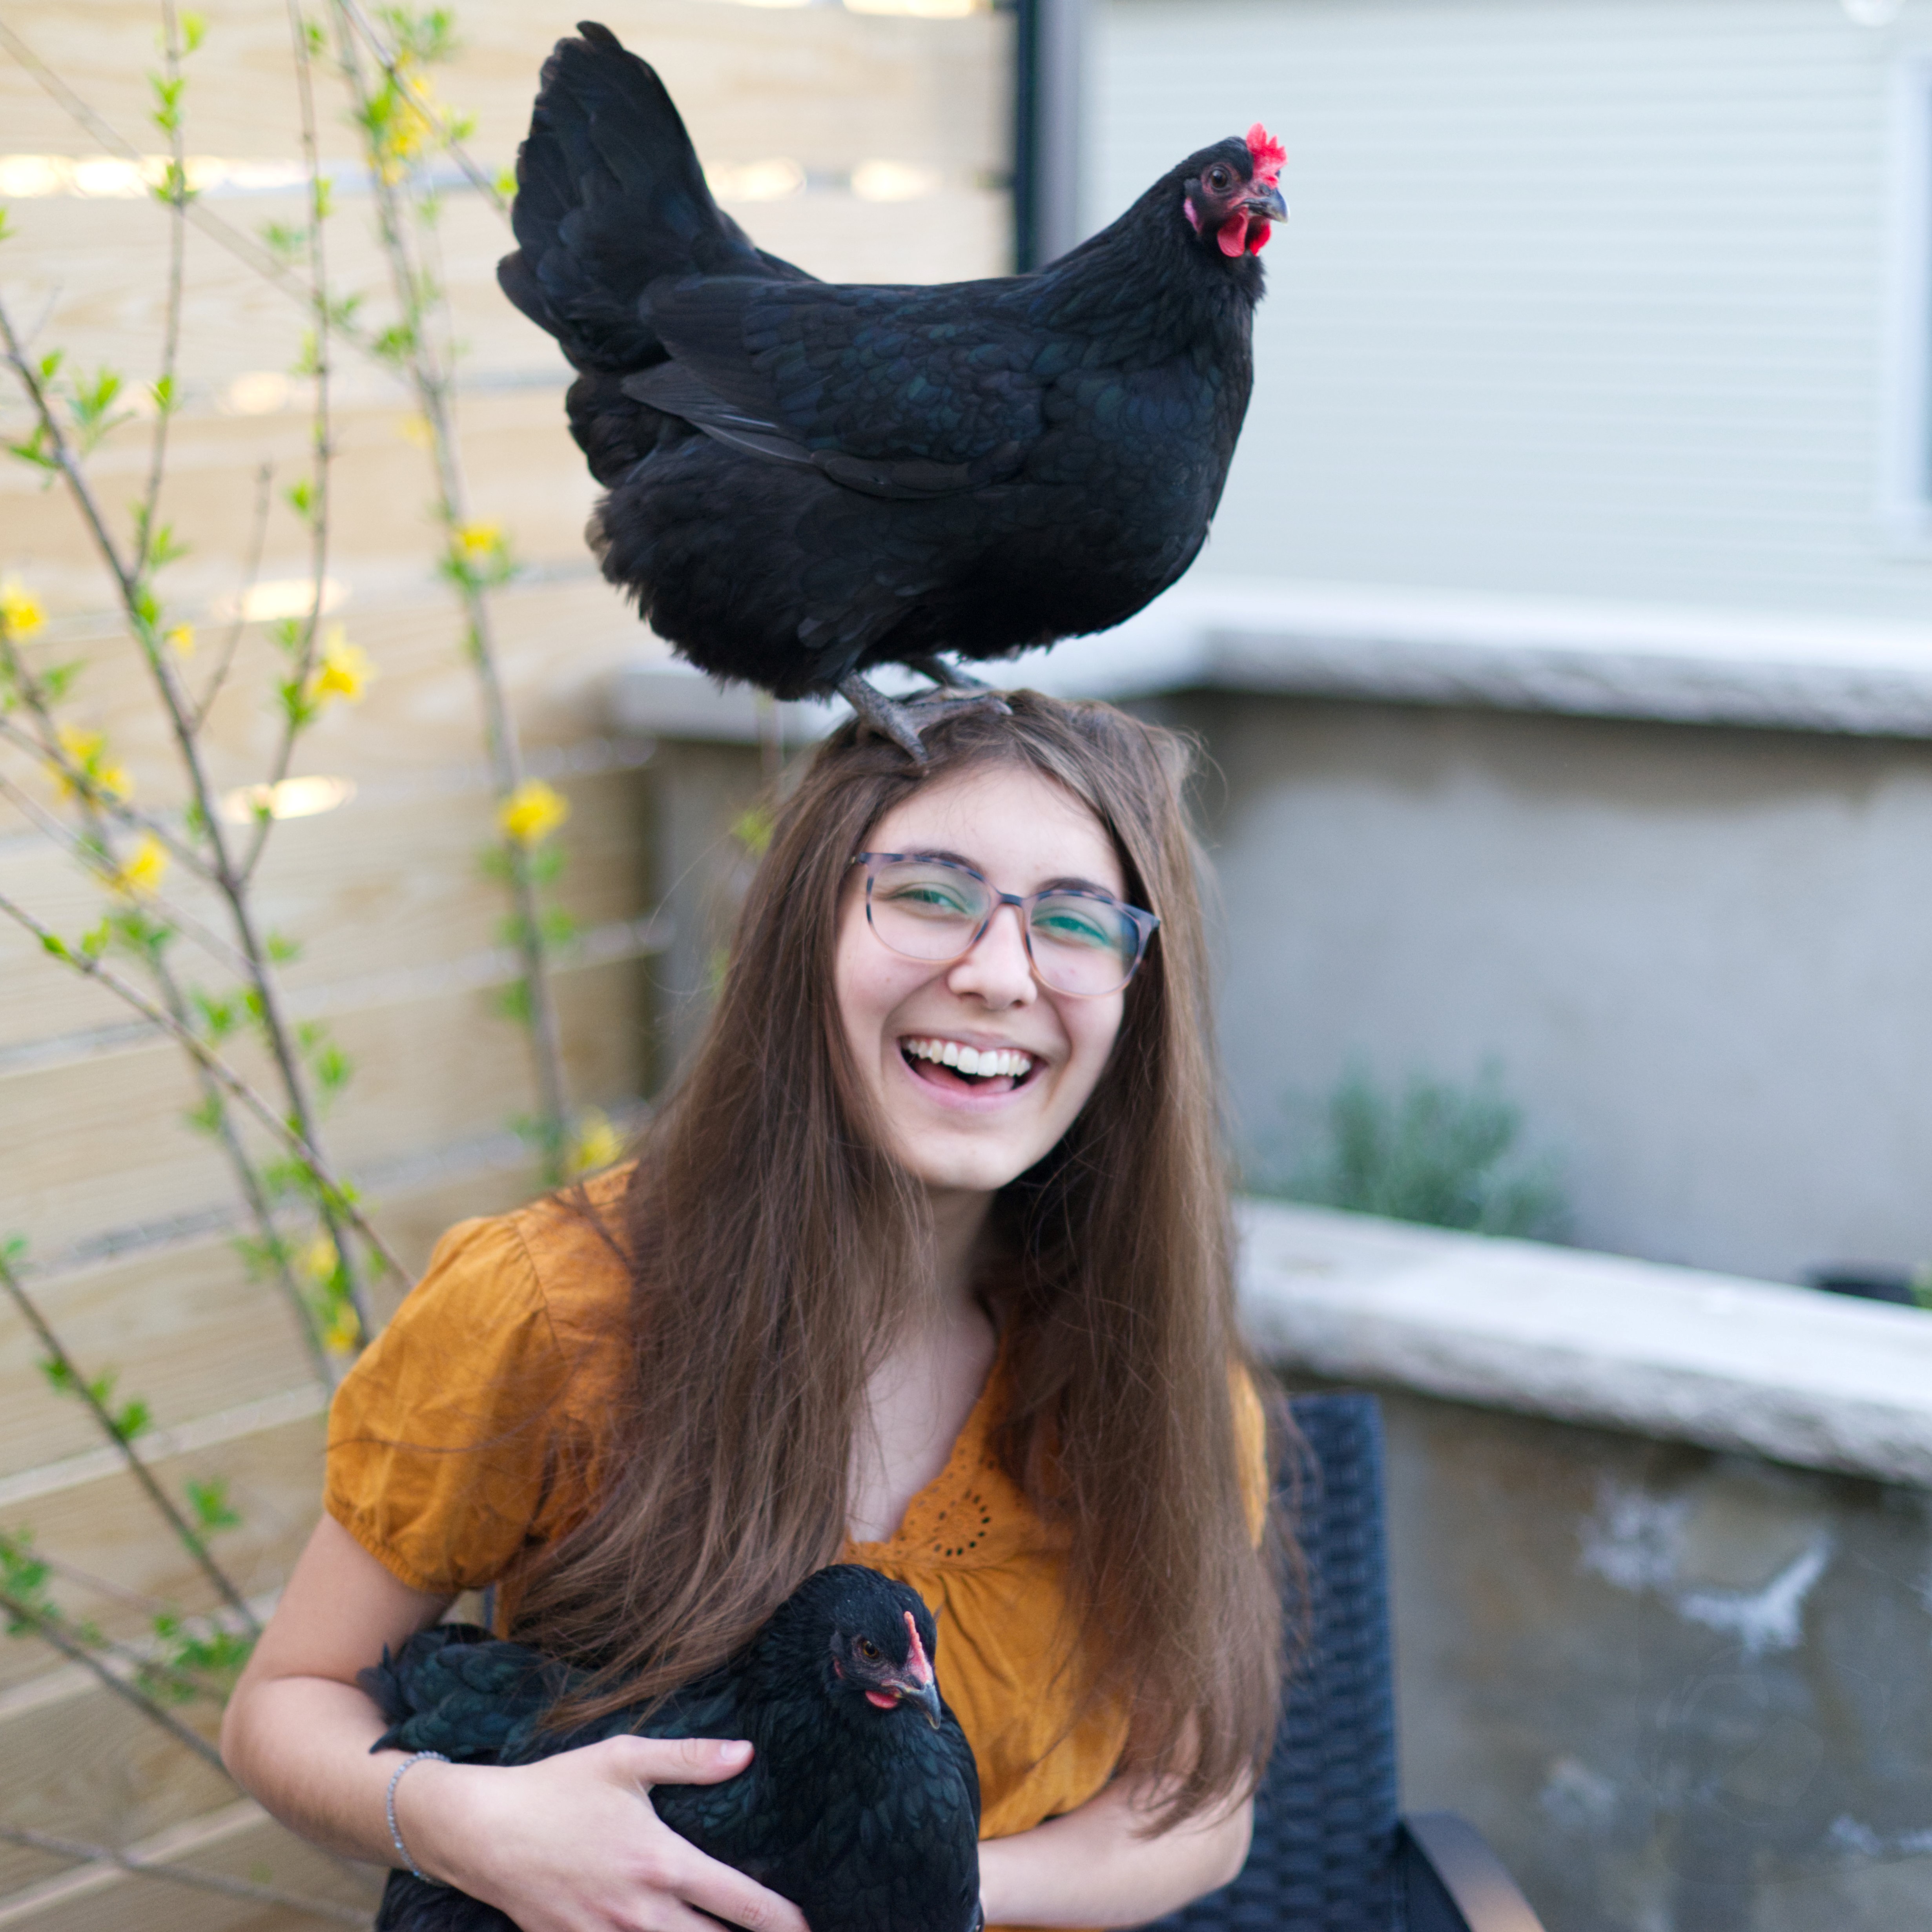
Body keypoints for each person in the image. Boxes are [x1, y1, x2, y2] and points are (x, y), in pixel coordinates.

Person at [221, 691, 1285, 1932]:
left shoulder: (1159, 1381)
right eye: (930, 894)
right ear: (805, 931)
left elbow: (1196, 1808)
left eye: (1074, 922)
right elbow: (282, 1702)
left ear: (1135, 995)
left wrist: (896, 1890)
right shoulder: (548, 1309)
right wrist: (474, 1822)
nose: (998, 973)